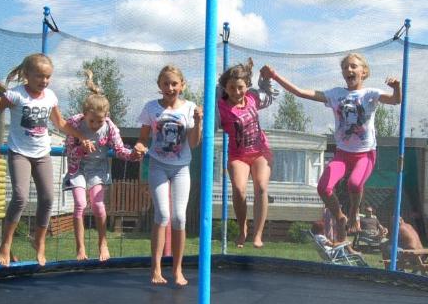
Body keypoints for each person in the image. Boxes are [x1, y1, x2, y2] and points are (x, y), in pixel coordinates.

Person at [0, 53, 93, 267]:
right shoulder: (16, 95)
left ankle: (39, 242)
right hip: (19, 152)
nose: (44, 81)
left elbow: (60, 123)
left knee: (48, 198)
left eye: (48, 77)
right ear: (27, 75)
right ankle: (6, 243)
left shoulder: (50, 97)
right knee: (21, 197)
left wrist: (81, 137)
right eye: (40, 76)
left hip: (42, 154)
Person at [260, 53, 401, 243]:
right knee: (323, 188)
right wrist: (275, 76)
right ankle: (340, 216)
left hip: (365, 154)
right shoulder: (336, 94)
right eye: (345, 68)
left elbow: (395, 100)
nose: (349, 70)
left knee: (354, 183)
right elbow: (301, 92)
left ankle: (353, 214)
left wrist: (396, 88)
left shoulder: (370, 94)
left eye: (353, 67)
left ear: (364, 72)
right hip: (342, 154)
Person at [63, 70, 146, 262]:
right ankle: (80, 247)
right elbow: (69, 151)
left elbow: (119, 150)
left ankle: (102, 242)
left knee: (99, 206)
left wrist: (133, 154)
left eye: (99, 121)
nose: (95, 125)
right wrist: (82, 148)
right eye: (91, 121)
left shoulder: (109, 127)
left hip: (98, 169)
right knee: (80, 205)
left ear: (106, 116)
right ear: (84, 115)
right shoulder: (74, 124)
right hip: (78, 167)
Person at [138, 65, 203, 286]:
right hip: (157, 165)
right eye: (165, 83)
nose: (170, 87)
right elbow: (143, 138)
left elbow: (193, 143)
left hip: (181, 167)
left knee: (179, 218)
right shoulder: (151, 108)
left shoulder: (190, 108)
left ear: (182, 85)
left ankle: (177, 270)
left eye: (174, 83)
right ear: (159, 86)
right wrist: (138, 145)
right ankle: (156, 269)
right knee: (163, 215)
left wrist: (199, 122)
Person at [217, 58, 274, 248]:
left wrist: (265, 79)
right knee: (240, 190)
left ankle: (258, 234)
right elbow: (211, 125)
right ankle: (243, 227)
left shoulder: (253, 98)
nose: (236, 92)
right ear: (225, 88)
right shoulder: (221, 108)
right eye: (231, 88)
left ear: (247, 86)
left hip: (260, 151)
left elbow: (269, 94)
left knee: (261, 187)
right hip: (238, 155)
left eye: (240, 87)